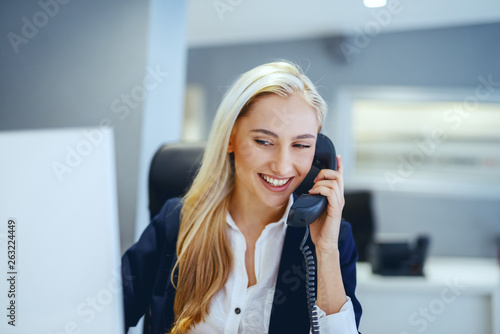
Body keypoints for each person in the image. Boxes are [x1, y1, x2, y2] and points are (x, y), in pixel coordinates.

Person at [122, 61, 362, 334]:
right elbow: (107, 314)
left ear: (319, 152)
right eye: (264, 141)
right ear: (230, 137)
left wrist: (326, 251)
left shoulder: (333, 240)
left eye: (301, 145)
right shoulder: (176, 221)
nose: (283, 167)